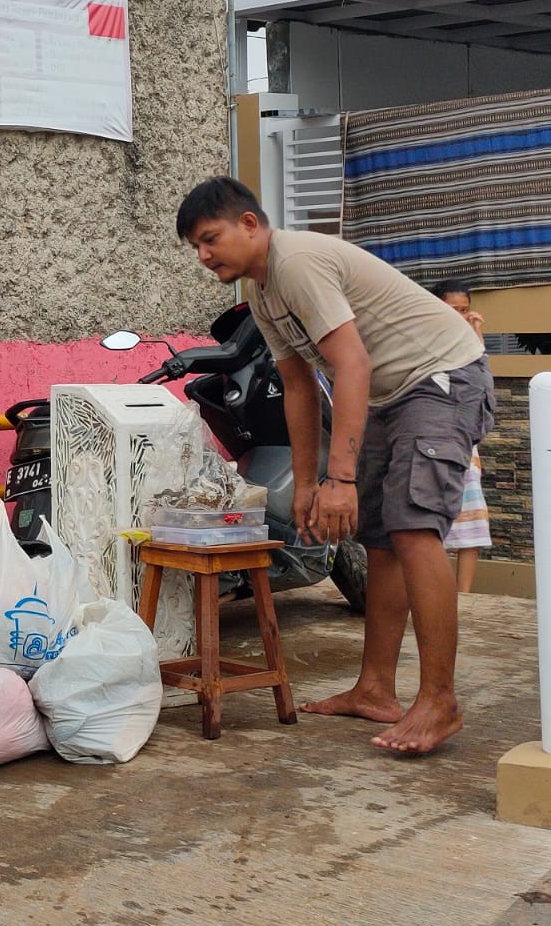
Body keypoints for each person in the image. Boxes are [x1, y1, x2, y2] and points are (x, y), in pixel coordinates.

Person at [175, 177, 493, 755]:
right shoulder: (264, 291)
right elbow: (298, 383)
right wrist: (306, 482)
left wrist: (340, 478)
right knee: (377, 535)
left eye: (210, 239)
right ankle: (375, 688)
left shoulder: (295, 262)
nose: (203, 256)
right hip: (388, 395)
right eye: (195, 246)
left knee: (413, 527)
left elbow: (351, 361)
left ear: (250, 224)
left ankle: (440, 700)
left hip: (441, 377)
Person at [430, 280, 492, 593]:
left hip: (466, 443)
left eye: (465, 310)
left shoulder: (469, 340)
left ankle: (464, 595)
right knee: (431, 520)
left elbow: (481, 375)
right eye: (454, 310)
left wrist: (475, 331)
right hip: (434, 439)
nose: (462, 316)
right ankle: (436, 591)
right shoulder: (426, 340)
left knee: (472, 518)